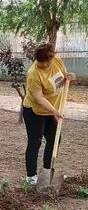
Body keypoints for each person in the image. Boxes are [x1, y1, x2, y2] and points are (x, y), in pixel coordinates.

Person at [22, 43, 76, 184]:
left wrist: (70, 76)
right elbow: (39, 98)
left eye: (47, 62)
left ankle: (47, 172)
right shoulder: (33, 74)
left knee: (54, 141)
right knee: (35, 142)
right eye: (41, 63)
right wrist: (54, 111)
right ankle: (31, 176)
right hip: (35, 112)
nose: (44, 65)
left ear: (52, 58)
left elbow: (64, 76)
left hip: (53, 110)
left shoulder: (57, 61)